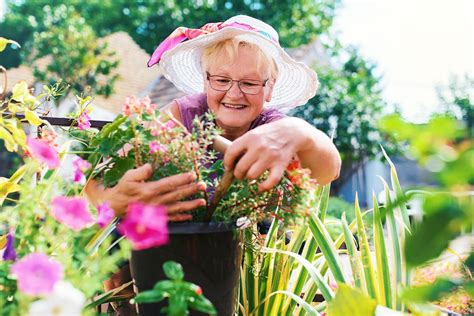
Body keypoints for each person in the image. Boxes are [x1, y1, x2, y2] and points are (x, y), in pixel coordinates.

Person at [86, 15, 341, 219]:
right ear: (205, 81)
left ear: (270, 88)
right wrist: (114, 201)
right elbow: (94, 186)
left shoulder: (275, 129)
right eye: (221, 80)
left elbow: (328, 170)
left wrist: (299, 131)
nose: (234, 93)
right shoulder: (180, 116)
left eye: (250, 83)